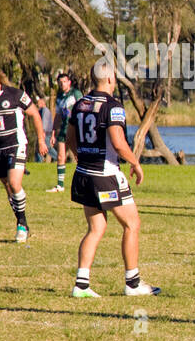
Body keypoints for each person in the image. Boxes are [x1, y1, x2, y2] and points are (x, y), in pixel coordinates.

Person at [66, 60, 158, 296]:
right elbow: (117, 142)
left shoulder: (80, 104)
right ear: (109, 79)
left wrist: (81, 158)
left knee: (96, 227)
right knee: (132, 224)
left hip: (84, 174)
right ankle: (133, 283)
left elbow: (70, 139)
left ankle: (81, 284)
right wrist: (136, 163)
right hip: (105, 175)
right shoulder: (113, 107)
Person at [0, 62, 48, 243]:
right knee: (8, 188)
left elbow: (35, 114)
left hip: (16, 145)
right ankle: (23, 223)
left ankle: (21, 224)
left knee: (14, 183)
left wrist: (41, 140)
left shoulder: (15, 95)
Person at [47, 71, 82, 191]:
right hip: (63, 130)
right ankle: (60, 185)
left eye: (64, 82)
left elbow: (83, 108)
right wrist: (53, 133)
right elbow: (57, 115)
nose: (62, 84)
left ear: (69, 82)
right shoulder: (59, 97)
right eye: (60, 82)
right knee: (61, 156)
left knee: (79, 157)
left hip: (75, 129)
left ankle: (83, 183)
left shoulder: (75, 93)